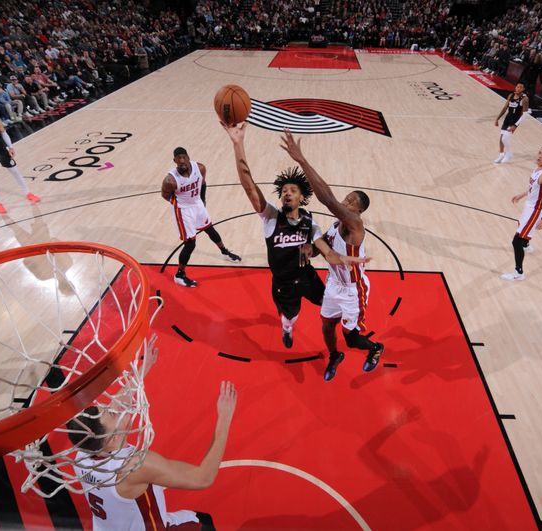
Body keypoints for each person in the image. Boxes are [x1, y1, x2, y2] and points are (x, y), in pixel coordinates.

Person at [221, 122, 369, 348]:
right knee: (291, 317)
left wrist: (342, 258)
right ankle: (287, 326)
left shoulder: (311, 223)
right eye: (284, 191)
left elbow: (327, 252)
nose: (287, 193)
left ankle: (347, 335)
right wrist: (238, 144)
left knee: (329, 309)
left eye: (293, 190)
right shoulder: (270, 217)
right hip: (284, 283)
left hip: (307, 278)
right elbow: (249, 186)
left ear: (302, 197)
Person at [280, 129, 385, 381]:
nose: (345, 202)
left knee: (352, 338)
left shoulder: (355, 224)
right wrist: (309, 249)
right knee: (326, 325)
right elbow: (321, 248)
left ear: (358, 209)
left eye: (350, 201)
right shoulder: (335, 226)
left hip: (352, 288)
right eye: (346, 199)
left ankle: (375, 348)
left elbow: (327, 199)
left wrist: (302, 161)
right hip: (334, 285)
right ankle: (334, 356)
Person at [68, 378, 237, 531]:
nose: (115, 407)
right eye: (112, 414)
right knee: (203, 524)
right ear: (114, 438)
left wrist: (141, 371)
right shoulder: (133, 466)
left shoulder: (83, 450)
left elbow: (117, 406)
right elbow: (202, 478)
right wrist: (225, 418)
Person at [161, 147, 242, 288]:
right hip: (183, 210)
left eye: (183, 157)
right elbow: (165, 195)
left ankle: (225, 251)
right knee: (190, 243)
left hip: (197, 204)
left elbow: (203, 184)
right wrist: (179, 203)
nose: (181, 161)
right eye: (178, 159)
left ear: (188, 157)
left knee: (209, 228)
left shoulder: (200, 168)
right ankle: (179, 275)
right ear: (174, 161)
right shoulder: (170, 180)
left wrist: (202, 200)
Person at [501, 145, 542, 282]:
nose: (540, 156)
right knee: (521, 229)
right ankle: (527, 245)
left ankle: (518, 273)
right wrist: (522, 195)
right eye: (539, 152)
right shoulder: (538, 168)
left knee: (516, 241)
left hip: (536, 211)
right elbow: (534, 188)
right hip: (530, 207)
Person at [493, 82, 529, 163]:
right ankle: (501, 154)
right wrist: (497, 118)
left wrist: (515, 125)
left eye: (520, 87)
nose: (518, 88)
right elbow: (505, 108)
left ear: (523, 89)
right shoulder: (511, 95)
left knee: (505, 138)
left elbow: (525, 115)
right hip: (508, 118)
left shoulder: (524, 99)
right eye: (517, 86)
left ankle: (509, 153)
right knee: (501, 138)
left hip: (515, 120)